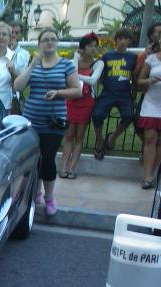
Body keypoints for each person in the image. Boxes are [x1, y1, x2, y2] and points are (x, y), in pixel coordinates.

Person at [14, 28, 81, 216]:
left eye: (53, 39)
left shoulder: (65, 65)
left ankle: (49, 197)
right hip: (31, 120)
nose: (49, 43)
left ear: (57, 42)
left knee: (48, 159)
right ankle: (35, 192)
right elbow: (17, 86)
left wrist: (58, 93)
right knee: (33, 159)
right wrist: (32, 65)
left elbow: (77, 90)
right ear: (39, 44)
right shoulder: (34, 63)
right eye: (45, 40)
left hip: (53, 121)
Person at [60, 33, 104, 179]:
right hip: (71, 101)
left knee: (79, 135)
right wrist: (75, 59)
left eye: (94, 46)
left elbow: (92, 80)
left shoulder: (98, 63)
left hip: (86, 103)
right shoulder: (73, 61)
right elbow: (69, 76)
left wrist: (76, 75)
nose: (93, 49)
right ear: (82, 48)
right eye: (89, 46)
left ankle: (72, 168)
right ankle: (63, 168)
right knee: (69, 135)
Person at [92, 28, 137, 159]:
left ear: (129, 41)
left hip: (124, 94)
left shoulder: (133, 57)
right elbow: (99, 74)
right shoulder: (107, 56)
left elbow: (134, 78)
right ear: (116, 40)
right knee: (97, 115)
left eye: (126, 39)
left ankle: (112, 138)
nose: (123, 41)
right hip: (108, 92)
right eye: (120, 38)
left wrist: (133, 96)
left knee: (129, 115)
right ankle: (100, 141)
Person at [136, 42, 161, 188]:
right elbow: (139, 81)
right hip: (151, 103)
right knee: (150, 138)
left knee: (160, 141)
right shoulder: (151, 59)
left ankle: (154, 174)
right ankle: (147, 177)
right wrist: (149, 81)